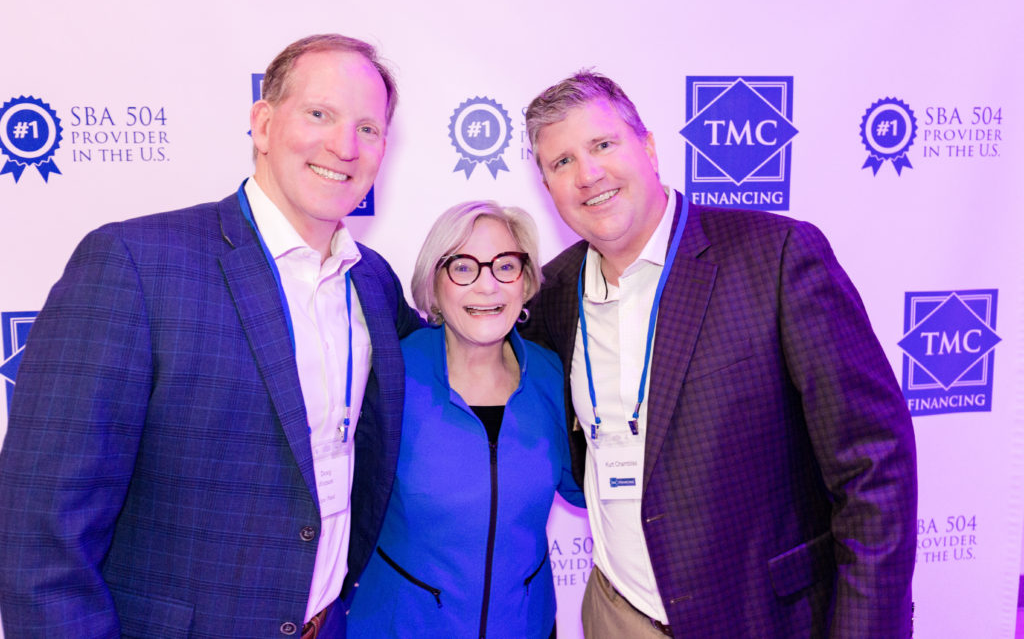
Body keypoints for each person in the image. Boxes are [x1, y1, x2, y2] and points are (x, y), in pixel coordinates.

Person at [0, 34, 422, 638]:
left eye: (368, 128)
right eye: (319, 114)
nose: (344, 145)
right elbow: (41, 537)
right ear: (264, 124)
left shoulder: (374, 282)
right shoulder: (135, 264)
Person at [519, 71, 917, 638]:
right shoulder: (551, 295)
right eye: (562, 162)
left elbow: (874, 466)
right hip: (617, 614)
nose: (588, 174)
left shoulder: (775, 257)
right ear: (547, 185)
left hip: (763, 620)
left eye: (603, 145)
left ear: (648, 147)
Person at [346, 201, 584, 638]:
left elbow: (592, 490)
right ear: (433, 284)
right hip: (401, 627)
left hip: (525, 627)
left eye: (506, 266)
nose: (487, 286)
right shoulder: (389, 376)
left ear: (526, 282)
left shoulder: (554, 375)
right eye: (462, 267)